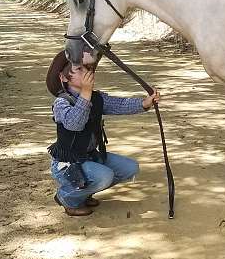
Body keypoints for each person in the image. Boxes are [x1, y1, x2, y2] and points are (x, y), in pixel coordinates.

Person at [45, 50, 160, 216]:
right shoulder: (61, 103)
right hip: (68, 163)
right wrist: (85, 93)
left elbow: (120, 105)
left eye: (87, 68)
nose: (87, 73)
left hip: (90, 156)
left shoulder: (96, 98)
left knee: (130, 168)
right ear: (63, 78)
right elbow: (74, 124)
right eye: (79, 69)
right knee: (105, 176)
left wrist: (144, 103)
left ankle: (84, 193)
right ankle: (67, 197)